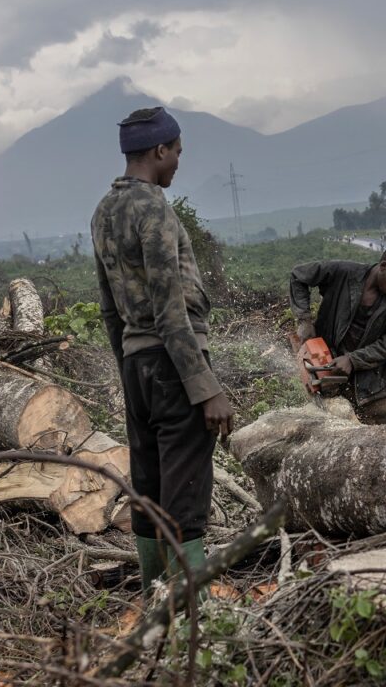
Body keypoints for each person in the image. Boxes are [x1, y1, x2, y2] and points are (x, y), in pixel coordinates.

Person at [91, 106, 234, 593]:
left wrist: (128, 375)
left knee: (148, 483)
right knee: (184, 491)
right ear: (158, 150)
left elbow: (111, 310)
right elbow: (171, 309)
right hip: (175, 362)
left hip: (137, 363)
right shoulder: (154, 209)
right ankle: (192, 613)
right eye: (176, 152)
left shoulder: (103, 213)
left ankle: (154, 597)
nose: (177, 162)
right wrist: (206, 387)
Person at [290, 245, 386, 424]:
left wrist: (353, 360)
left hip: (373, 388)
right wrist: (304, 320)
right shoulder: (343, 273)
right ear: (383, 266)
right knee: (331, 433)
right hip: (330, 375)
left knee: (380, 439)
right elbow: (298, 276)